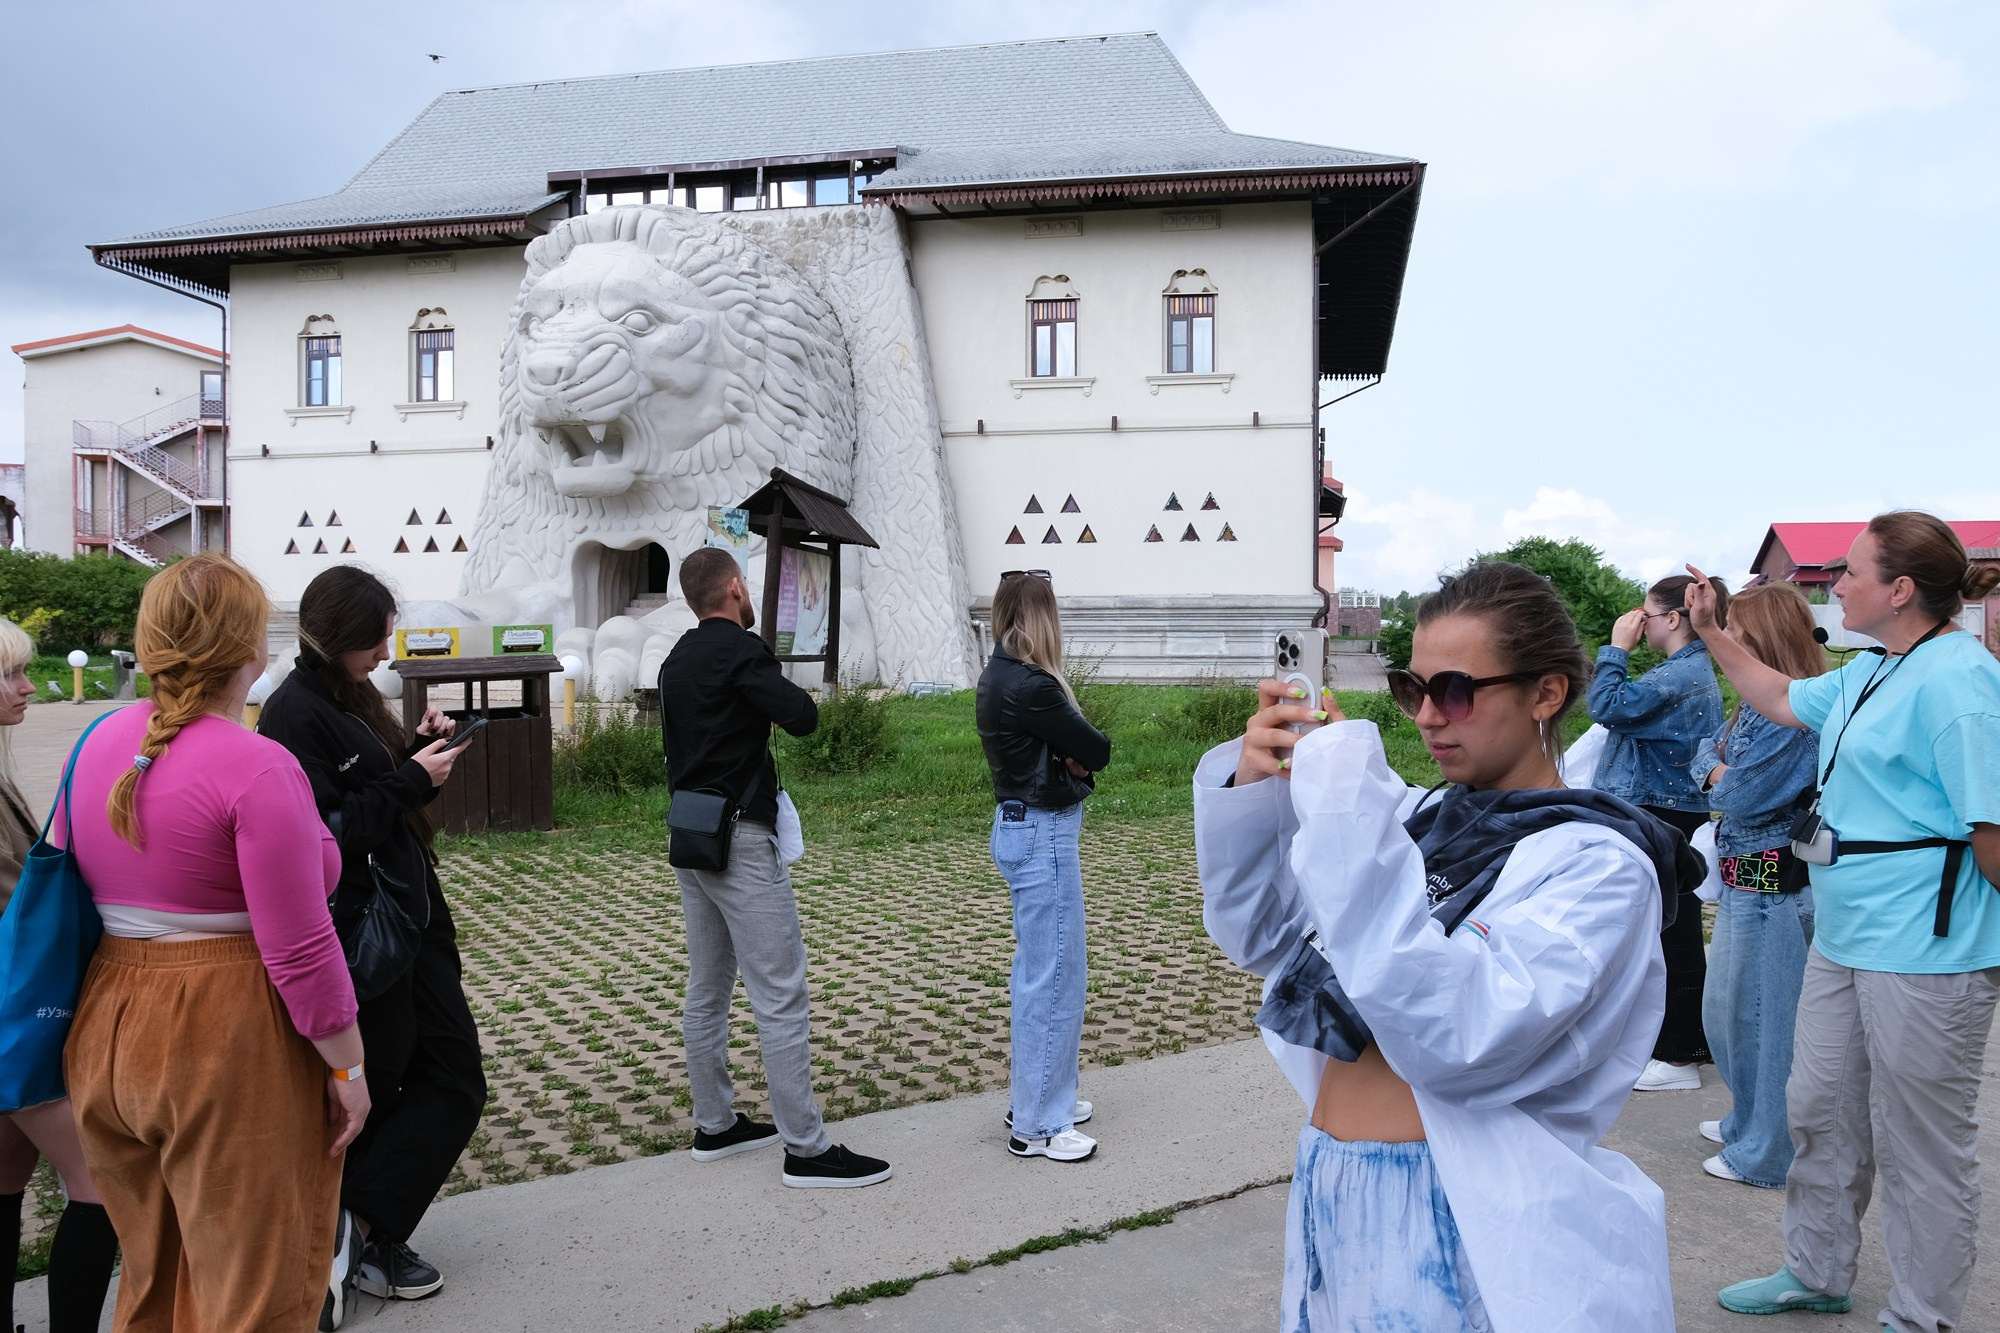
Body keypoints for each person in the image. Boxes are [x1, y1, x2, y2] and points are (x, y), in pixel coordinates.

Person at [1197, 561, 1698, 1331]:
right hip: (1337, 1181)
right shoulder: (1427, 820)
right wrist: (1256, 784)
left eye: (1457, 690)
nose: (1430, 716)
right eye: (1413, 688)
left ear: (1546, 692)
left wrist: (1340, 801)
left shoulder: (1597, 866)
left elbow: (1459, 1033)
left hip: (1455, 1210)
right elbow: (1264, 936)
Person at [1691, 511, 2000, 1330]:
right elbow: (1780, 696)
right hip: (1845, 932)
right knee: (1818, 1108)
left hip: (1928, 949)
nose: (1836, 581)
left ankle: (1923, 1312)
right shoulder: (1873, 668)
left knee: (1922, 1146)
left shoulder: (1959, 683)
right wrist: (1714, 631)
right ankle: (1817, 1268)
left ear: (1899, 590)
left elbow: (1993, 831)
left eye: (1851, 570)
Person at [59, 554, 369, 1330]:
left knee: (155, 1277)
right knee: (254, 1291)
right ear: (251, 648)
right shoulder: (258, 766)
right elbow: (300, 950)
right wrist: (347, 1065)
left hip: (110, 1022)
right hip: (222, 1030)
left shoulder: (96, 741)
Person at [258, 565, 484, 1318]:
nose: (387, 648)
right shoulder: (293, 713)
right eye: (376, 634)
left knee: (451, 1072)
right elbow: (323, 837)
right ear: (341, 633)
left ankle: (356, 1226)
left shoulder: (350, 695)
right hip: (366, 929)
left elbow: (373, 791)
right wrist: (409, 783)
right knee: (384, 1082)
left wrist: (416, 750)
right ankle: (358, 1232)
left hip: (413, 913)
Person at [657, 547, 891, 1188]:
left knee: (707, 985)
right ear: (735, 588)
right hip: (740, 841)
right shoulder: (741, 651)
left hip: (691, 836)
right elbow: (804, 717)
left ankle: (716, 1123)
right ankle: (807, 1150)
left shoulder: (676, 657)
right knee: (781, 992)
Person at [0, 618, 117, 1333]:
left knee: (6, 1183)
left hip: (13, 1015)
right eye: (9, 676)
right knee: (101, 1183)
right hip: (15, 1020)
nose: (25, 688)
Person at [975, 570, 1112, 1162]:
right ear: (1042, 617)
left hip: (1017, 825)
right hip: (1042, 831)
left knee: (1038, 970)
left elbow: (1078, 751)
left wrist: (1071, 756)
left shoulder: (996, 674)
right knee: (1055, 975)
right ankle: (1041, 1125)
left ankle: (1036, 1095)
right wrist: (1075, 759)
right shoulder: (1034, 686)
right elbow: (1098, 748)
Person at [1690, 582, 1822, 1189]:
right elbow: (1703, 754)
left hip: (1775, 880)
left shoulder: (1792, 716)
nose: (1726, 636)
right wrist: (1719, 771)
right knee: (1728, 1014)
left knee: (1764, 1020)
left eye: (1735, 626)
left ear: (1764, 633)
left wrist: (1719, 774)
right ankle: (1747, 1119)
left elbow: (1739, 793)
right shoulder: (1753, 704)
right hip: (1745, 875)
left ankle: (1767, 1152)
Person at [1589, 572, 1727, 1092]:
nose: (1639, 624)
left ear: (1673, 618)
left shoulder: (1680, 676)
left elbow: (1606, 705)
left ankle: (1678, 1055)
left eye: (1645, 615)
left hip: (1662, 810)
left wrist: (1615, 650)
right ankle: (1679, 1045)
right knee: (1670, 924)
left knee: (1673, 929)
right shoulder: (1687, 672)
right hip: (1669, 807)